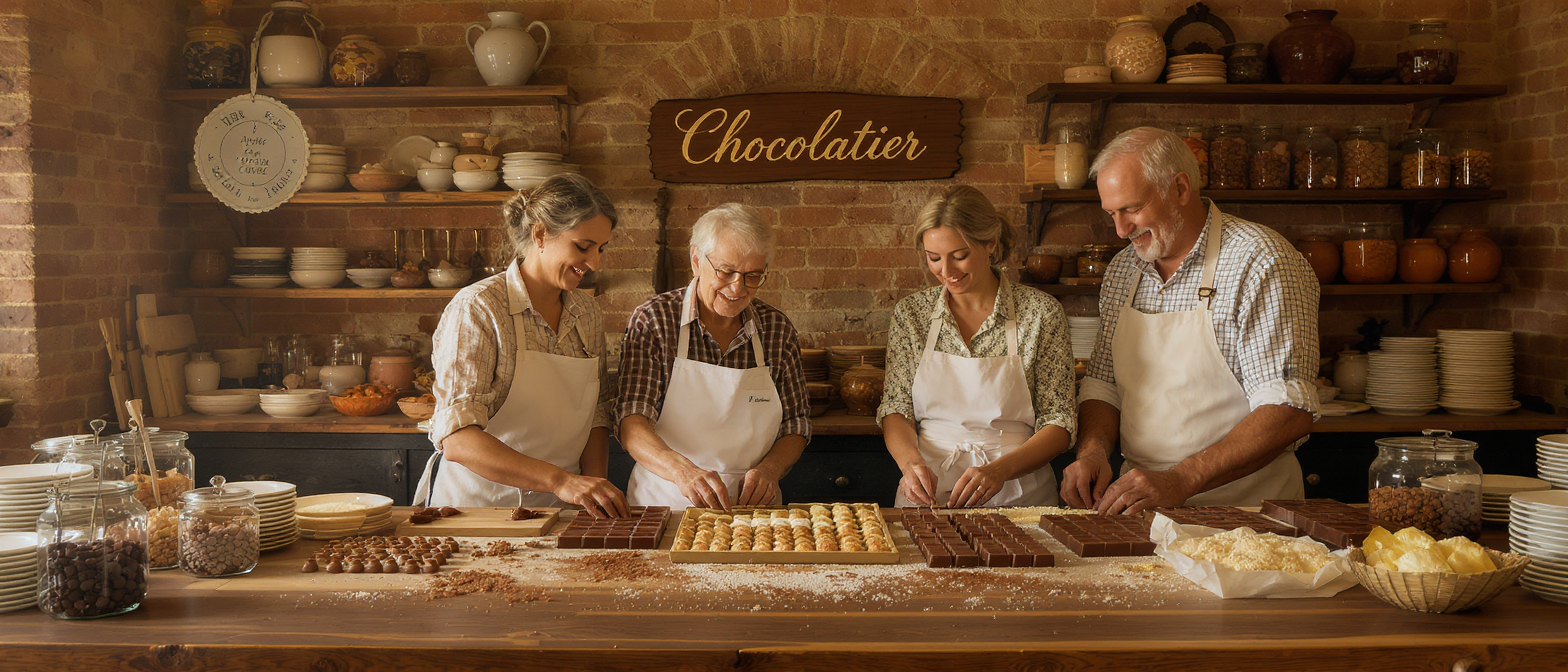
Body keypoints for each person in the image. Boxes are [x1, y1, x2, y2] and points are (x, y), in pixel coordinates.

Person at [1061, 126, 1321, 514]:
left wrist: (1181, 479)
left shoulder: (1260, 260)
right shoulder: (1123, 270)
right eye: (1112, 214)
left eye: (1132, 209)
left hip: (1247, 510)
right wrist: (1094, 451)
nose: (1120, 230)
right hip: (1143, 503)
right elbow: (1104, 384)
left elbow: (1288, 409)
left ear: (1180, 189)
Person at [415, 174, 628, 518]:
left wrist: (591, 491)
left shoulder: (586, 312)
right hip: (479, 511)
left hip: (562, 511)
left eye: (601, 249)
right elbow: (457, 437)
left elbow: (596, 416)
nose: (595, 263)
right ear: (540, 234)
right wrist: (561, 481)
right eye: (583, 246)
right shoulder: (479, 308)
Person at [880, 185, 1077, 508]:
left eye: (960, 256)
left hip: (1019, 492)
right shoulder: (912, 314)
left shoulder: (1040, 312)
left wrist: (999, 470)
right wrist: (911, 465)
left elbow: (1059, 421)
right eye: (934, 258)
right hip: (928, 491)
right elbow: (895, 408)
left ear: (990, 244)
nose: (946, 272)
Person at [619, 203, 811, 510]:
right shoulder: (655, 320)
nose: (737, 288)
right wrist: (683, 473)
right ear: (696, 259)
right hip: (667, 502)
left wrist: (770, 470)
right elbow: (632, 422)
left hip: (755, 511)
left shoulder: (775, 329)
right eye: (726, 271)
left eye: (752, 276)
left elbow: (796, 425)